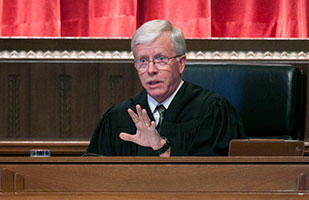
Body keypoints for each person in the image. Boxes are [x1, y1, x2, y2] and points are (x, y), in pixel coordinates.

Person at [85, 20, 245, 157]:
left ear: (181, 63)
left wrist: (162, 148)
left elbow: (220, 178)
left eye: (160, 59)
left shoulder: (212, 111)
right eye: (142, 61)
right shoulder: (117, 118)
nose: (151, 70)